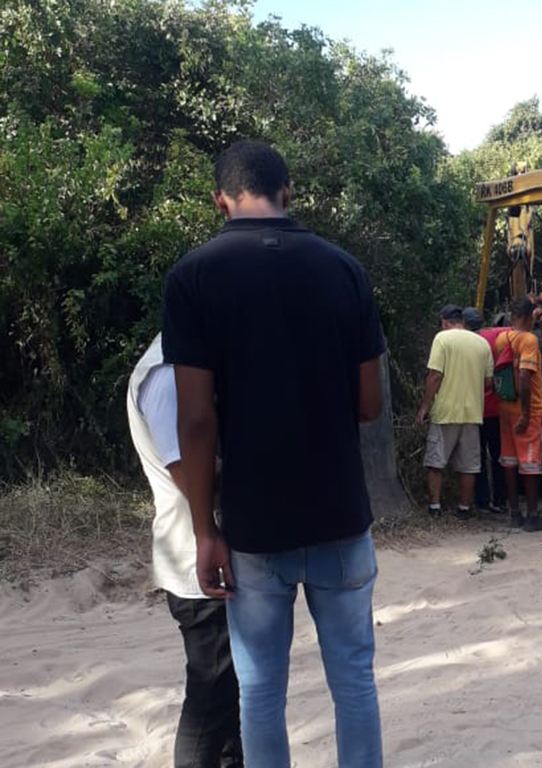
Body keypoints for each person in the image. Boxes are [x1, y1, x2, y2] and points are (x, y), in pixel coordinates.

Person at [161, 140, 386, 768]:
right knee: (354, 682)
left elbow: (197, 418)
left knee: (260, 692)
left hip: (255, 528)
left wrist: (206, 531)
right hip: (341, 517)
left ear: (220, 200)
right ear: (288, 193)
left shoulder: (194, 277)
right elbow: (370, 404)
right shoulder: (344, 269)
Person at [126, 334, 244, 768]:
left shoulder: (177, 364)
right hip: (198, 561)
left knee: (228, 700)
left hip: (202, 556)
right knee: (208, 702)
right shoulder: (166, 376)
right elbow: (191, 476)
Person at [415, 305, 494, 519]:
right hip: (472, 413)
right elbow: (488, 381)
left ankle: (434, 507)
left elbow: (435, 376)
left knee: (435, 462)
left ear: (444, 321)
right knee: (468, 466)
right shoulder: (482, 343)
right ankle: (464, 508)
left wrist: (424, 406)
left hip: (445, 411)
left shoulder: (442, 339)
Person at [495, 297, 542, 532]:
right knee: (530, 464)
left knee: (509, 461)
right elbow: (525, 378)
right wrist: (527, 415)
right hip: (526, 410)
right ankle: (533, 516)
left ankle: (514, 513)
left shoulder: (502, 338)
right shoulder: (529, 339)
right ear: (528, 318)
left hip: (505, 407)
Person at [464, 306, 509, 515]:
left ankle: (482, 501)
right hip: (498, 409)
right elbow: (514, 330)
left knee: (478, 458)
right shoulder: (496, 335)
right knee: (499, 456)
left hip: (474, 410)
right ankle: (501, 500)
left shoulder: (464, 343)